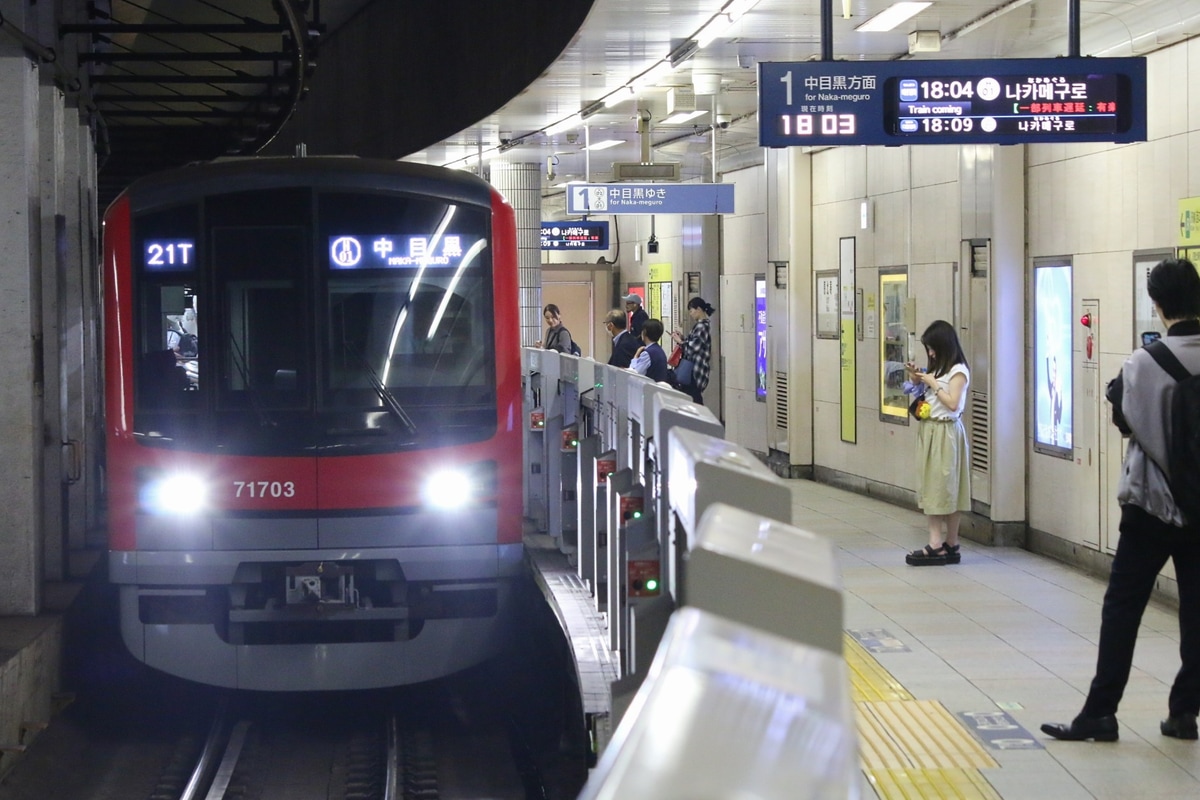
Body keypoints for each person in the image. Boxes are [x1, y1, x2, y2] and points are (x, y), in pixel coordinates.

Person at [1041, 258, 1200, 743]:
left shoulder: (1143, 363)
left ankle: (1101, 711)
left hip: (1150, 506)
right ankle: (1184, 712)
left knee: (1123, 608)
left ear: (1156, 304)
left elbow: (1127, 423)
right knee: (1197, 611)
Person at [903, 320, 971, 566]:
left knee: (945, 488)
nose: (930, 353)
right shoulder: (940, 369)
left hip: (946, 433)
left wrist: (933, 384)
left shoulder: (958, 371)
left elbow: (953, 403)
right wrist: (917, 379)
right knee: (934, 485)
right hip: (931, 430)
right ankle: (948, 544)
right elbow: (929, 396)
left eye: (933, 348)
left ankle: (939, 544)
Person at [670, 297, 715, 404]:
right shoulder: (703, 325)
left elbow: (694, 347)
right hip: (696, 369)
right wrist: (683, 339)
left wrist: (680, 342)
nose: (690, 314)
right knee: (693, 398)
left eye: (691, 310)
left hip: (695, 369)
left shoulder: (701, 326)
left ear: (698, 309)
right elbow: (695, 343)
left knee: (694, 399)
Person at [630, 318, 669, 383]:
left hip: (649, 390)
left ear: (644, 332)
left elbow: (634, 375)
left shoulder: (647, 354)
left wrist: (635, 358)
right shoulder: (659, 350)